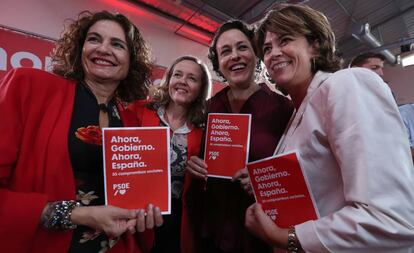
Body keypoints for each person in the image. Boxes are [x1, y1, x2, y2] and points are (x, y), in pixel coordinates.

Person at [246, 3, 414, 252]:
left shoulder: (347, 83)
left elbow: (390, 218)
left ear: (315, 44)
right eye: (267, 48)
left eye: (285, 40)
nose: (273, 54)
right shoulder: (297, 113)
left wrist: (287, 238)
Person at [0, 10, 163, 253]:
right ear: (80, 49)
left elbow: (132, 197)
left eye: (117, 44)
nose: (104, 49)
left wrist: (143, 214)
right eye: (94, 39)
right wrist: (72, 214)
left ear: (132, 61)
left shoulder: (130, 121)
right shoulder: (28, 87)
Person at [186, 20, 294, 253]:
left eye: (242, 47)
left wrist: (264, 182)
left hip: (259, 236)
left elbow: (299, 174)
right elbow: (192, 155)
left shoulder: (283, 109)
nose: (234, 56)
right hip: (210, 233)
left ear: (255, 54)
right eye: (225, 51)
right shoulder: (207, 108)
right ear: (218, 62)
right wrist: (193, 166)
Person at [128, 55, 211, 253]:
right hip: (137, 214)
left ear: (201, 89)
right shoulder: (139, 111)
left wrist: (205, 174)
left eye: (192, 78)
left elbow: (208, 184)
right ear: (169, 80)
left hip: (178, 219)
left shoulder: (205, 129)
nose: (182, 81)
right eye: (178, 74)